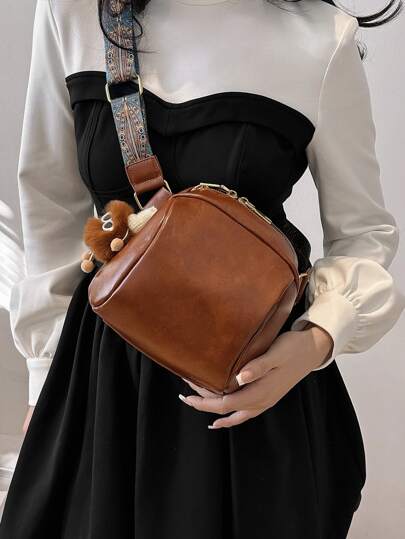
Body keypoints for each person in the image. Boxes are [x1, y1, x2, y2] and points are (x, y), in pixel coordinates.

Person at [1, 0, 404, 537]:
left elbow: (364, 233)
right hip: (101, 378)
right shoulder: (73, 12)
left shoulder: (322, 39)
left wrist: (312, 344)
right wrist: (43, 377)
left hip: (250, 384)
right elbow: (51, 206)